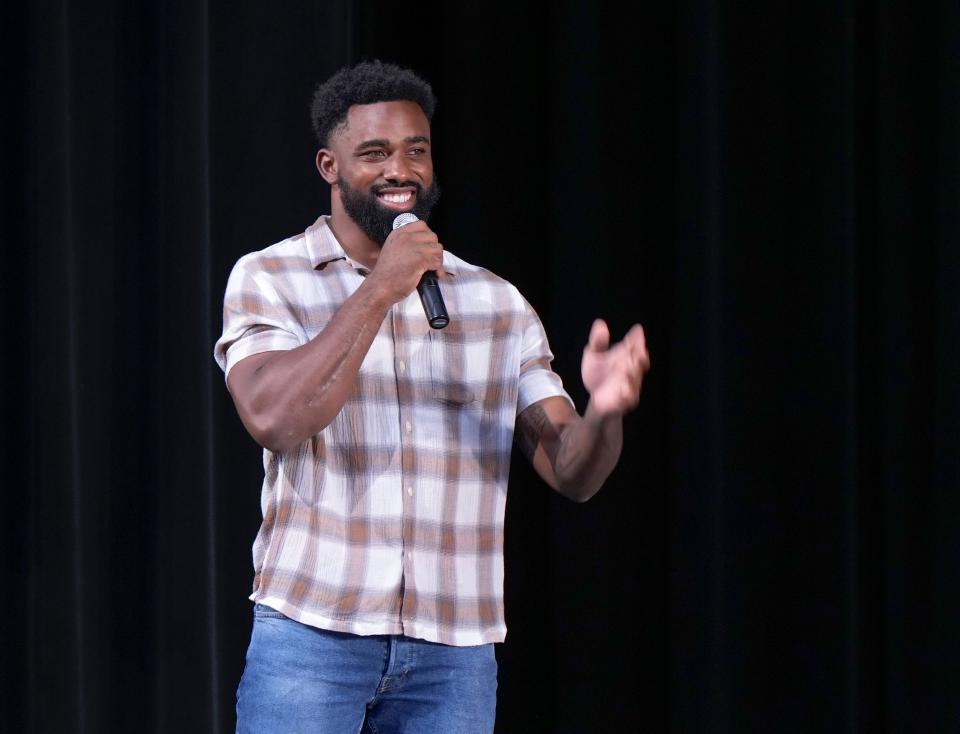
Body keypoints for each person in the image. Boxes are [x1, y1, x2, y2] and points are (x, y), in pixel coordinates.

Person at [214, 59, 650, 734]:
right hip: (310, 636)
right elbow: (273, 418)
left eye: (416, 150)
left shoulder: (495, 304)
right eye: (376, 153)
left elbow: (573, 470)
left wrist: (605, 412)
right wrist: (380, 289)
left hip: (453, 654)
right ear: (330, 165)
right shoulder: (270, 278)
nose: (401, 170)